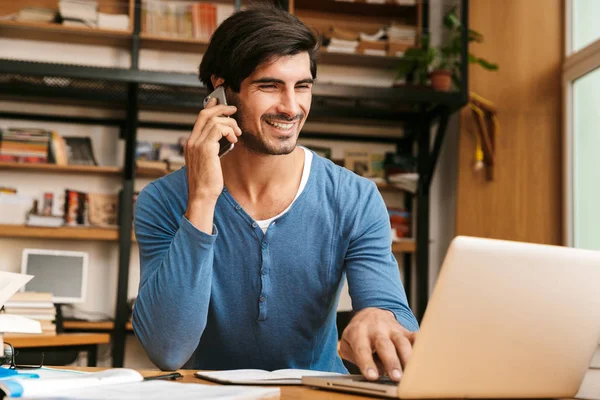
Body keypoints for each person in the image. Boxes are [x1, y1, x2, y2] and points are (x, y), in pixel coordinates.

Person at [132, 4, 418, 382]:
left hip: (316, 393)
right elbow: (168, 350)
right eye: (269, 85)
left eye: (302, 87)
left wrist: (377, 316)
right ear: (221, 90)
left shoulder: (355, 197)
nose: (291, 107)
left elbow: (389, 307)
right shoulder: (162, 200)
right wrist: (201, 199)